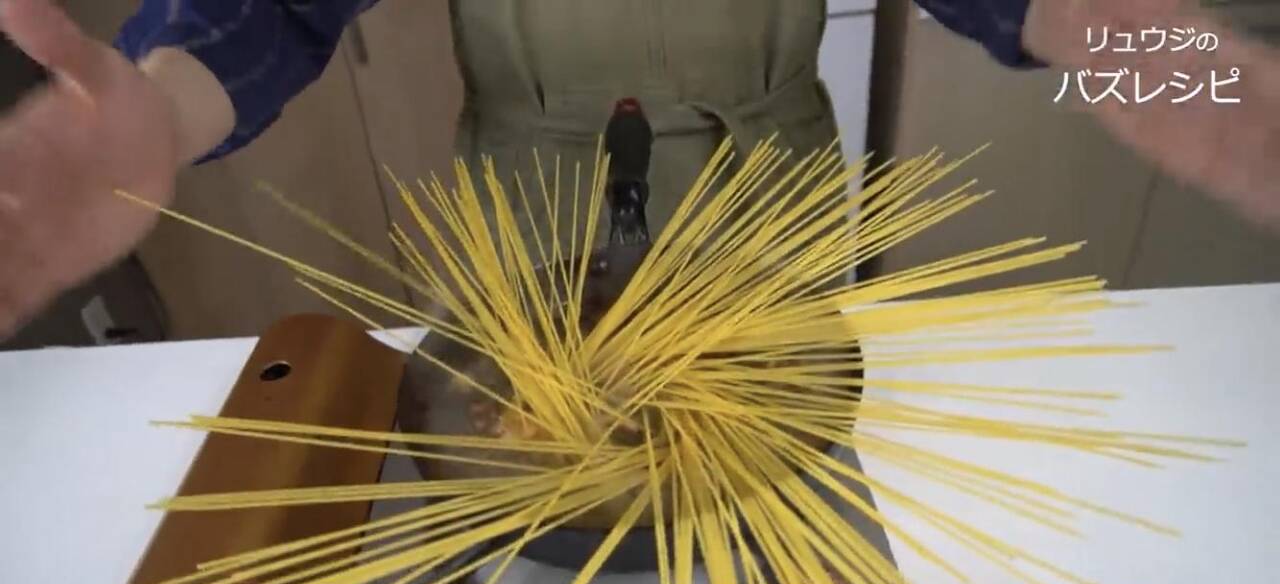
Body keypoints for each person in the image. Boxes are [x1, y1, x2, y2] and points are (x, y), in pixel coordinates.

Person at [0, 0, 1276, 340]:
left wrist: (1126, 37)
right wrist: (164, 105)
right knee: (536, 502)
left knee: (764, 517)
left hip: (761, 202)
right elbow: (271, 6)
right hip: (528, 213)